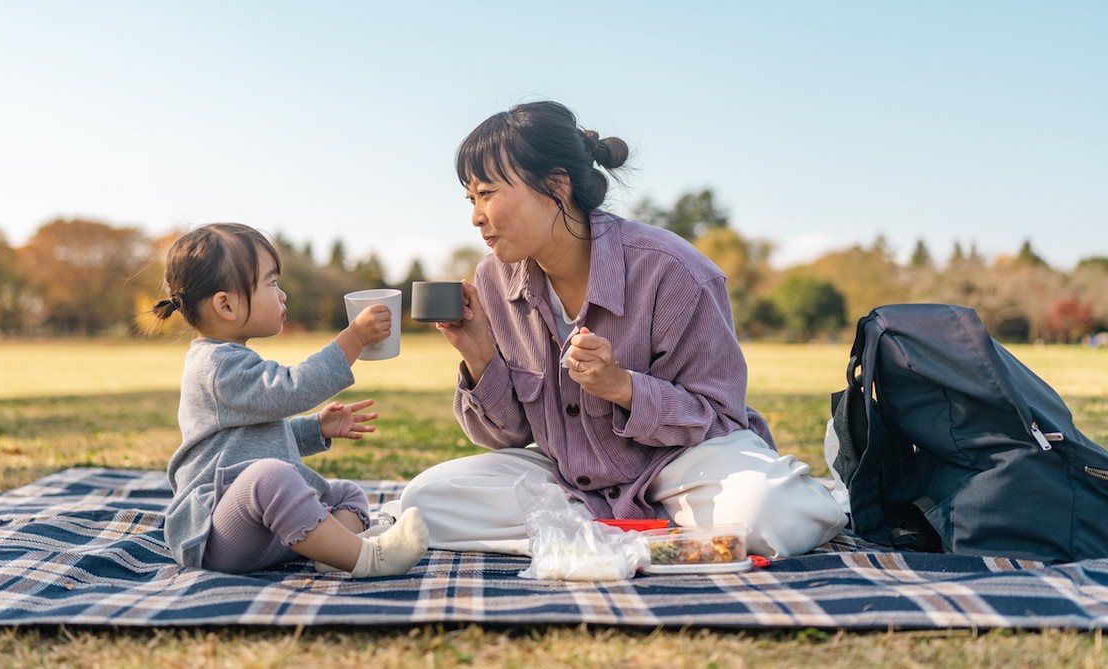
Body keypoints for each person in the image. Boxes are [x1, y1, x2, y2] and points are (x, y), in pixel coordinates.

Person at [395, 101, 846, 558]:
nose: (476, 216)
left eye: (487, 193)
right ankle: (658, 540)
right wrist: (479, 356)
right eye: (471, 199)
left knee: (769, 512)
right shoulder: (495, 280)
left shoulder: (673, 271)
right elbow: (505, 437)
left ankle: (590, 537)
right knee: (424, 503)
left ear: (556, 185)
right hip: (570, 478)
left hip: (682, 467)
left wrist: (623, 388)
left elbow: (718, 416)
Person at [152, 222, 428, 577]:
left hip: (263, 531)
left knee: (345, 493)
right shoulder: (216, 366)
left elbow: (249, 441)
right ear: (226, 305)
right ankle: (370, 558)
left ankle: (334, 553)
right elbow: (291, 388)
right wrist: (354, 338)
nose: (282, 295)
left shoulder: (231, 359)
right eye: (271, 283)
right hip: (217, 534)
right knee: (271, 477)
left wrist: (316, 429)